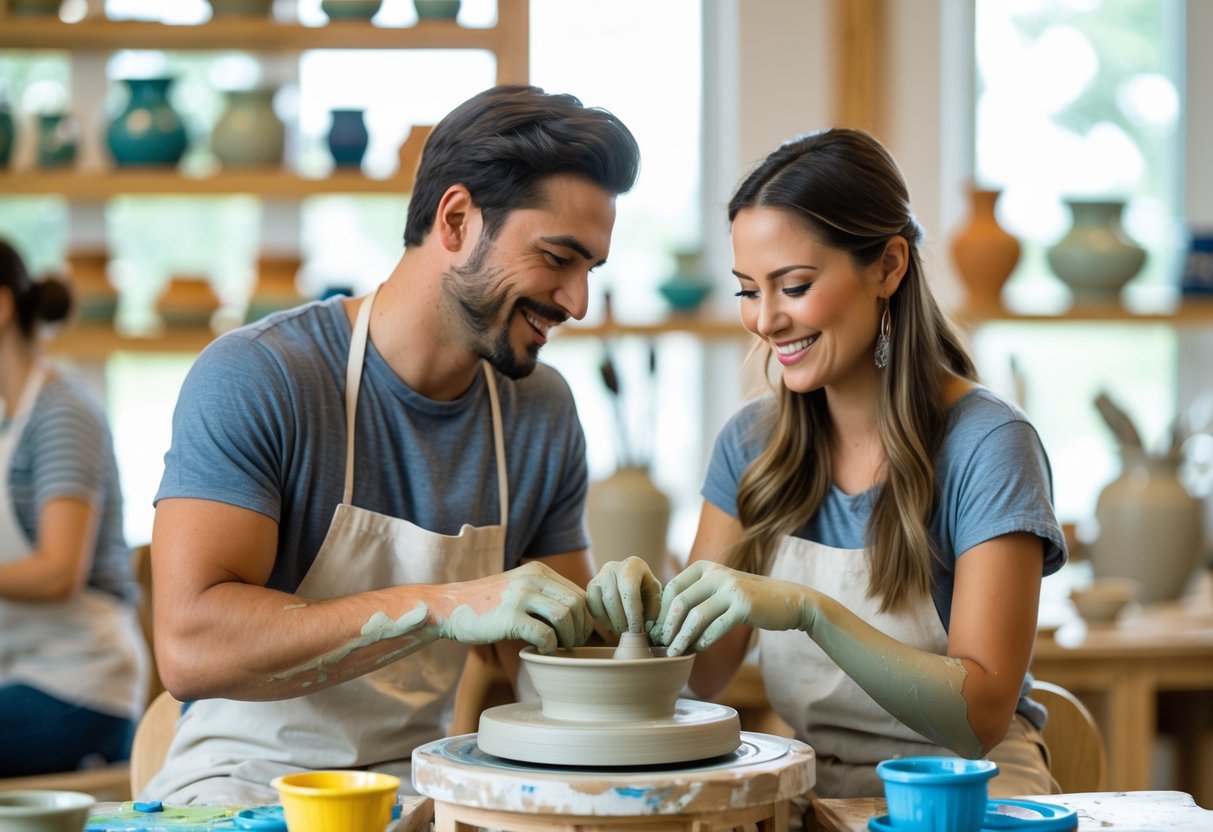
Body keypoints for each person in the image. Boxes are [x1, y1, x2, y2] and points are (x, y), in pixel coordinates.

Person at [142, 84, 641, 804]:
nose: (576, 302)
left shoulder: (540, 410)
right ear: (457, 220)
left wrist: (619, 618)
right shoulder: (261, 376)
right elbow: (189, 649)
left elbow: (554, 662)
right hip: (243, 788)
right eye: (558, 258)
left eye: (590, 270)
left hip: (424, 790)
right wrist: (445, 603)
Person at [588, 128, 1066, 803]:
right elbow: (704, 676)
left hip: (966, 798)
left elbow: (980, 717)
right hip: (818, 797)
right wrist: (648, 614)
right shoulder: (751, 444)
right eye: (748, 291)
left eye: (793, 286)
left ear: (888, 267)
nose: (765, 320)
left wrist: (812, 613)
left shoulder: (987, 444)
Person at [0, 239, 148, 776]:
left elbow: (59, 571)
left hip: (82, 686)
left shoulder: (62, 412)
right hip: (26, 673)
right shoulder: (8, 418)